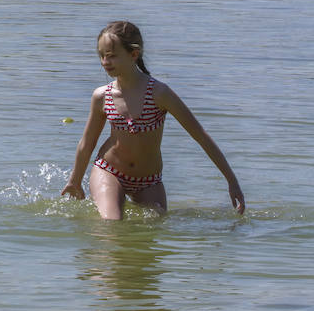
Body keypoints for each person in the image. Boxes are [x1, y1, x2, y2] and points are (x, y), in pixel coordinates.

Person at [62, 20, 245, 220]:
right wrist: (75, 181)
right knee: (112, 223)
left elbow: (200, 136)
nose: (105, 62)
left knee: (156, 228)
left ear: (134, 54)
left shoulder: (159, 93)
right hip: (110, 171)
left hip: (149, 181)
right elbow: (87, 143)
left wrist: (231, 180)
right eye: (102, 56)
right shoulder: (102, 96)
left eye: (112, 56)